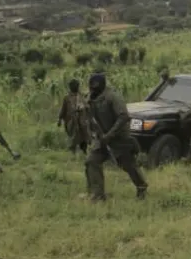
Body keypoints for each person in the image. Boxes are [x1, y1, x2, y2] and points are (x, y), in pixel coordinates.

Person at [84, 72, 148, 201]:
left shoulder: (112, 97)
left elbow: (124, 116)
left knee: (128, 165)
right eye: (91, 86)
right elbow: (90, 118)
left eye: (95, 86)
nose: (92, 89)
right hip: (102, 138)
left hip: (119, 138)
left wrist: (110, 135)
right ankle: (98, 195)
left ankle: (141, 187)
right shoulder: (91, 98)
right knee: (92, 161)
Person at [57, 78, 91, 155]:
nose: (75, 87)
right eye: (73, 86)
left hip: (82, 120)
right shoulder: (67, 98)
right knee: (73, 137)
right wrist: (59, 119)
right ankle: (73, 152)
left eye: (76, 85)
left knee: (83, 136)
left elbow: (88, 107)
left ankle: (84, 151)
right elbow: (63, 109)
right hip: (71, 121)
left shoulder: (82, 96)